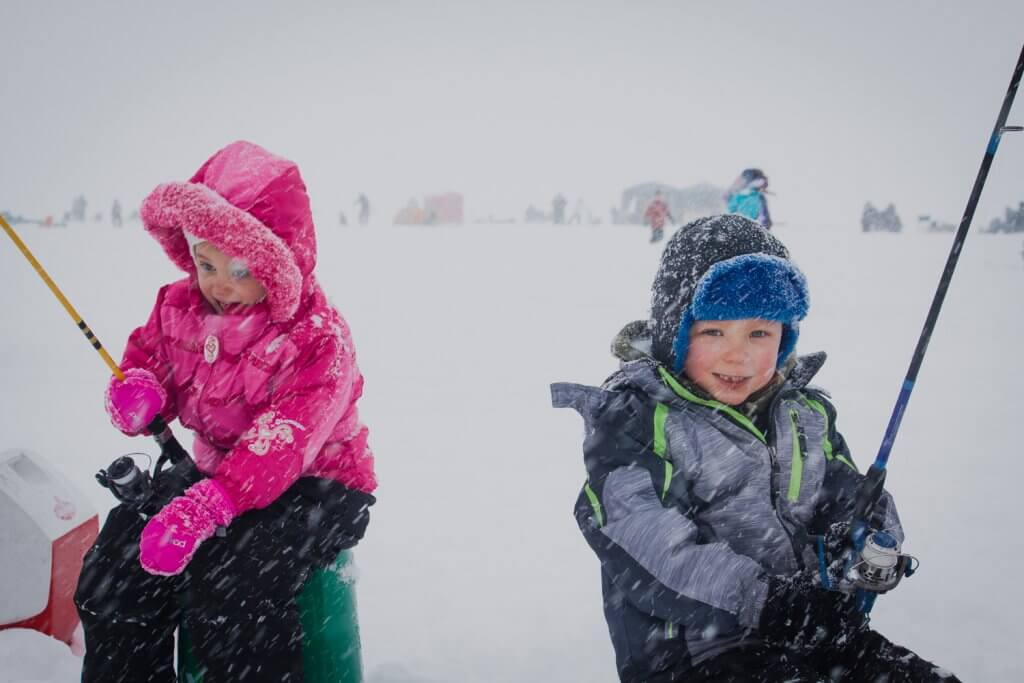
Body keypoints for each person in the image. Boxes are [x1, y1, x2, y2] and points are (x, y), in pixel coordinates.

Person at [552, 214, 959, 682]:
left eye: (760, 334)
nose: (738, 354)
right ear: (674, 333)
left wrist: (868, 542)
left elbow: (846, 494)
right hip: (698, 656)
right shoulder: (637, 422)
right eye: (713, 332)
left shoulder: (804, 416)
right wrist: (769, 602)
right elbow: (648, 544)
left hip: (814, 633)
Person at [75, 141, 378, 682]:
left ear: (277, 262)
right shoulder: (178, 306)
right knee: (118, 563)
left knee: (234, 581)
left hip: (317, 487)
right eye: (205, 262)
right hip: (219, 472)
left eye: (239, 269)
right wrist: (140, 390)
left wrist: (204, 511)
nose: (217, 283)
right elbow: (151, 358)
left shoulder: (316, 339)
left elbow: (282, 442)